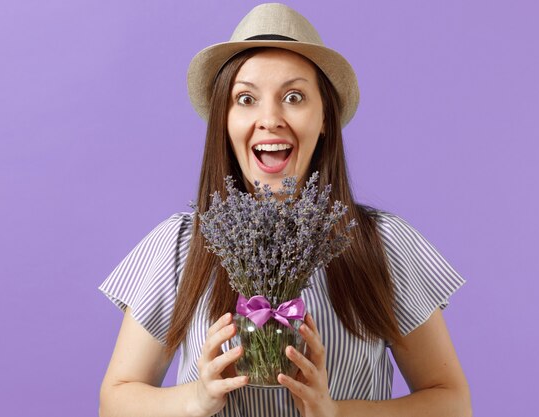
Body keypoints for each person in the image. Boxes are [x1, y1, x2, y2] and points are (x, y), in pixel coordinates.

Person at [98, 3, 471, 417]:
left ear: (325, 116)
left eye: (294, 97)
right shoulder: (180, 245)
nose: (270, 119)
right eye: (246, 99)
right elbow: (116, 399)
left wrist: (335, 412)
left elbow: (450, 402)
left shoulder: (382, 244)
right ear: (224, 119)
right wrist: (195, 399)